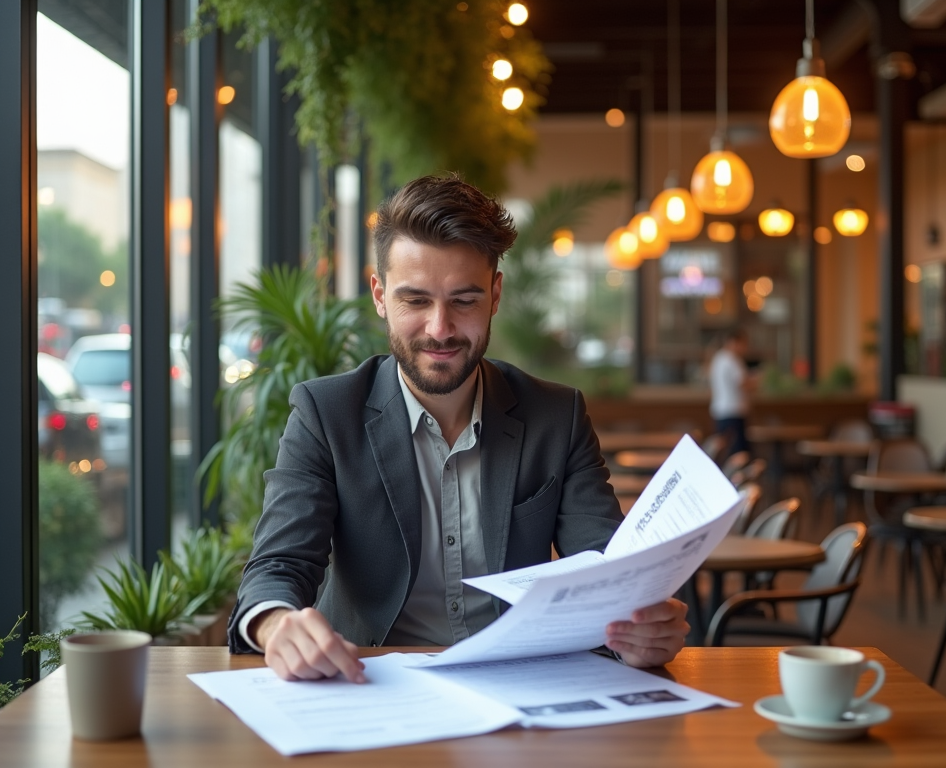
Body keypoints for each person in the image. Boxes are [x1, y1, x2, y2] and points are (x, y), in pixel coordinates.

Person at [228, 175, 690, 683]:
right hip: (370, 685)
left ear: (495, 295)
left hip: (519, 687)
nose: (440, 328)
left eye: (464, 301)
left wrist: (639, 631)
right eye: (416, 301)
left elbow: (606, 570)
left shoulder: (557, 415)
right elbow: (277, 566)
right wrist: (276, 625)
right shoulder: (326, 413)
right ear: (380, 295)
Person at [708, 328, 755, 456]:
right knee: (738, 453)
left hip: (721, 411)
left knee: (724, 451)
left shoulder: (719, 358)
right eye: (744, 344)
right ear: (734, 342)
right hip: (733, 411)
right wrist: (758, 380)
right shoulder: (732, 360)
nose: (745, 348)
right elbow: (743, 384)